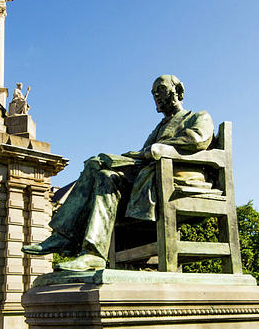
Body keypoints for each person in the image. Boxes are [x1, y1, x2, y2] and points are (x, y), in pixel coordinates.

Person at [23, 74, 214, 271]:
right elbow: (143, 154)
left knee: (101, 169)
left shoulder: (198, 116)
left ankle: (65, 238)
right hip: (149, 174)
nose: (156, 95)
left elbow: (197, 139)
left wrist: (157, 149)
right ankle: (91, 253)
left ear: (178, 90)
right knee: (100, 170)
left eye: (161, 89)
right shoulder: (160, 127)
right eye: (153, 92)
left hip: (176, 177)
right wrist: (130, 156)